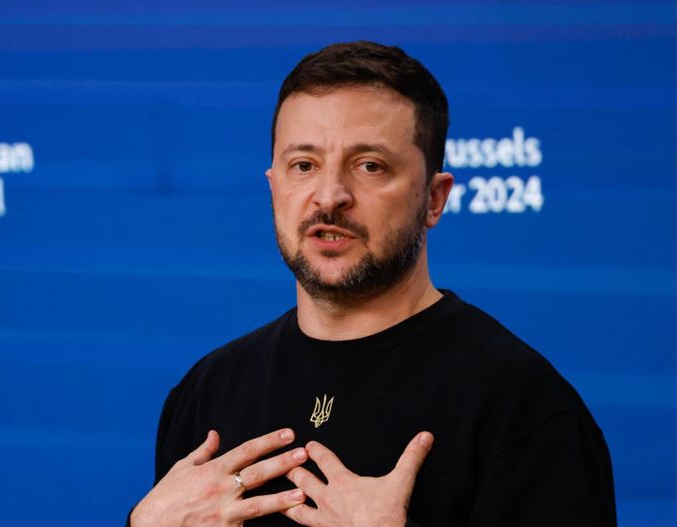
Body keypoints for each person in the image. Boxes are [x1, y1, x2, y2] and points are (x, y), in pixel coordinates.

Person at [129, 41, 616, 527]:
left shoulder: (522, 406)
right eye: (304, 165)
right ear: (274, 187)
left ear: (434, 199)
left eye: (370, 166)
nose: (329, 196)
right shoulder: (207, 392)